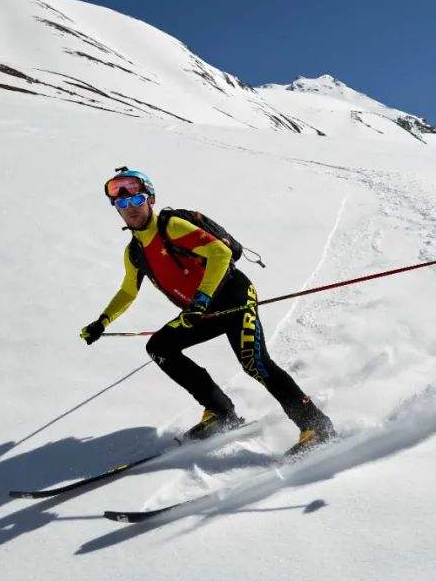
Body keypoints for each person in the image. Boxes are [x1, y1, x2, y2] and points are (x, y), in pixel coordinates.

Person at [79, 168, 335, 456]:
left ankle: (316, 426)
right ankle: (221, 412)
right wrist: (102, 321)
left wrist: (201, 299)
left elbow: (220, 253)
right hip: (201, 311)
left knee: (255, 363)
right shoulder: (134, 252)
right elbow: (128, 291)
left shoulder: (171, 225)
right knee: (160, 347)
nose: (129, 209)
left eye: (136, 200)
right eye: (121, 204)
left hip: (234, 296)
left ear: (150, 199)